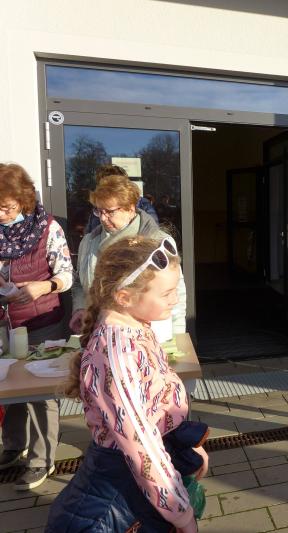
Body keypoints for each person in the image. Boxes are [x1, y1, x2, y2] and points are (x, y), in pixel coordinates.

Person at [47, 237, 206, 532]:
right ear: (124, 297)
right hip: (120, 496)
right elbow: (139, 443)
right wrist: (182, 513)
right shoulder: (117, 353)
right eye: (167, 293)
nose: (175, 299)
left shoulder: (135, 328)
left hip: (141, 480)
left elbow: (155, 407)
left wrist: (185, 446)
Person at [0, 163, 73, 491]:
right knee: (9, 386)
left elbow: (67, 275)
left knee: (41, 392)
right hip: (5, 322)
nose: (1, 214)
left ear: (23, 199)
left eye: (7, 207)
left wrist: (43, 287)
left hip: (41, 321)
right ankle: (14, 445)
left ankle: (42, 459)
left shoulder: (47, 228)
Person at [69, 174, 186, 338]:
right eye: (99, 211)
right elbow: (79, 283)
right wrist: (80, 308)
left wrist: (178, 335)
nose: (103, 218)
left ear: (130, 209)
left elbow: (175, 292)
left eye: (109, 212)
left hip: (150, 336)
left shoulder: (158, 241)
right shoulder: (89, 242)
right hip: (101, 335)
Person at [84, 164, 159, 235]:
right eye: (101, 185)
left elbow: (152, 232)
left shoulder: (143, 204)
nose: (103, 218)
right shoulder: (97, 210)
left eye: (111, 185)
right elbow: (89, 233)